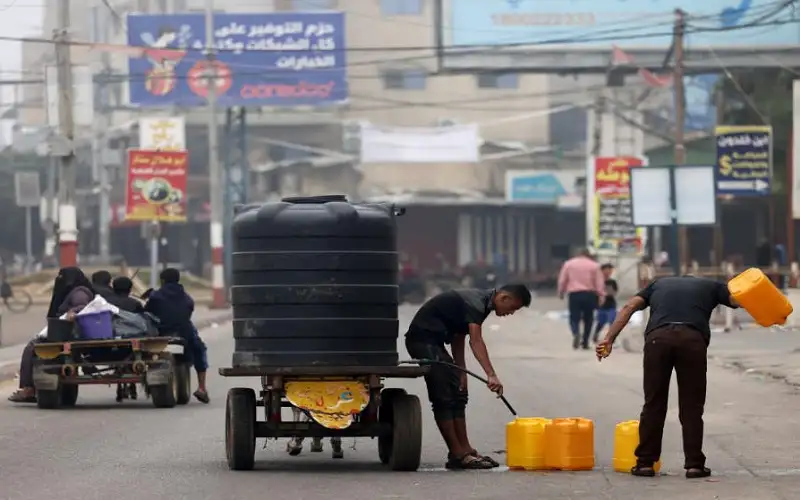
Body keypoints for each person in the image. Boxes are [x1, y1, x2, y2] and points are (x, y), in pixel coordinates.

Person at [595, 276, 740, 479]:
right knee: (691, 405)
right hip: (692, 340)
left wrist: (608, 339)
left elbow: (629, 306)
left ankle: (645, 463)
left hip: (658, 340)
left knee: (653, 403)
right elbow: (737, 300)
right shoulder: (713, 286)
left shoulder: (657, 284)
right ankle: (694, 465)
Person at [405, 284, 532, 469]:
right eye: (513, 308)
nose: (510, 313)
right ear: (504, 298)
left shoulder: (484, 304)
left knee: (459, 392)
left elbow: (458, 336)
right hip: (423, 341)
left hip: (435, 343)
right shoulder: (477, 303)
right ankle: (457, 454)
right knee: (444, 397)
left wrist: (461, 371)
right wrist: (491, 375)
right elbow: (476, 340)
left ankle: (466, 449)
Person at [8, 267, 95, 403]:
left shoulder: (79, 292)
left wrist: (72, 313)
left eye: (62, 277)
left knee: (32, 348)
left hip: (70, 332)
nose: (59, 280)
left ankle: (28, 389)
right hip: (64, 330)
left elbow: (82, 307)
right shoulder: (72, 291)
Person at [145, 268, 209, 403]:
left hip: (162, 333)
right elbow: (189, 310)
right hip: (184, 332)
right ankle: (202, 387)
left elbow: (147, 311)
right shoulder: (186, 297)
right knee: (200, 350)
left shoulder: (155, 296)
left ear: (162, 281)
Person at [558, 248, 605, 350]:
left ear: (577, 254)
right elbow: (599, 282)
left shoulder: (569, 264)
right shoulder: (594, 265)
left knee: (574, 317)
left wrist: (561, 292)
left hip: (574, 294)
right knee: (589, 319)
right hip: (590, 295)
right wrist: (601, 295)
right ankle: (585, 342)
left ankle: (576, 333)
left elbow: (563, 280)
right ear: (589, 255)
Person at [592, 263, 618, 344]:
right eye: (606, 270)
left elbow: (615, 292)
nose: (608, 272)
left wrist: (609, 292)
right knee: (601, 322)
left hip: (611, 304)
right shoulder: (597, 281)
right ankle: (595, 335)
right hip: (601, 305)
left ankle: (611, 338)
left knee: (612, 321)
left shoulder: (612, 282)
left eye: (610, 270)